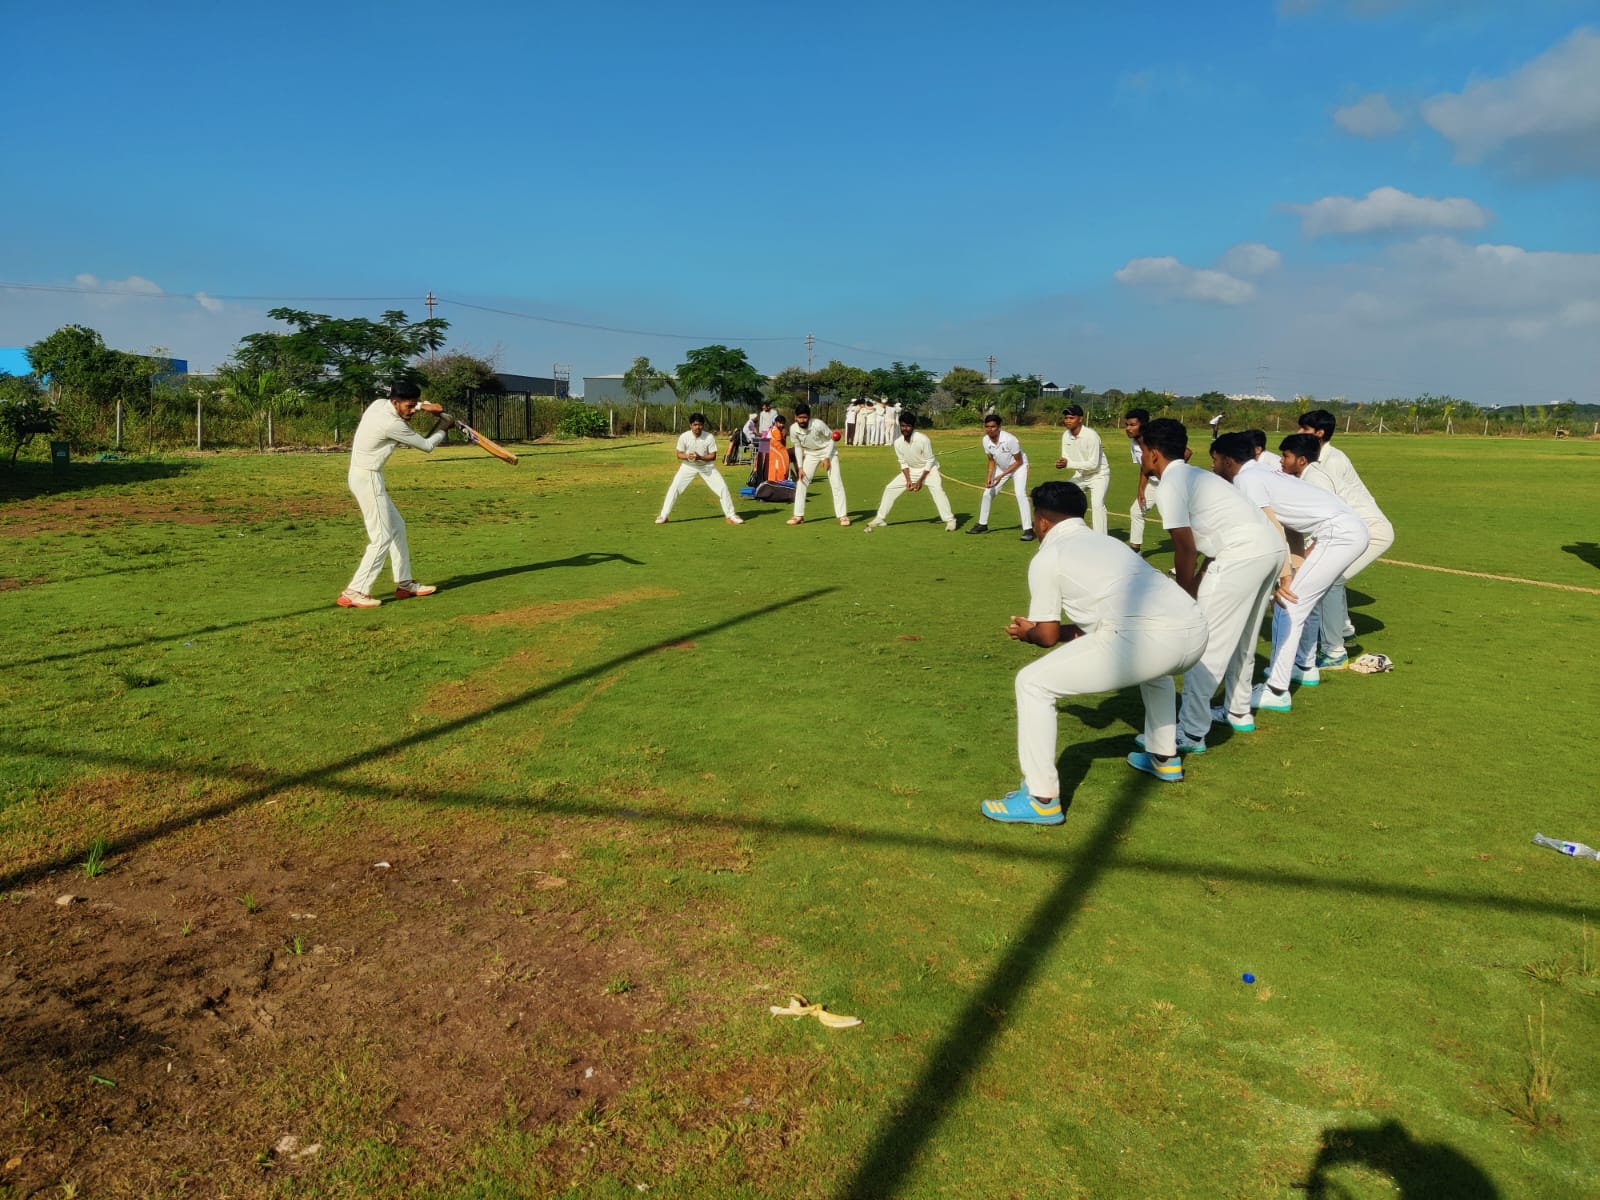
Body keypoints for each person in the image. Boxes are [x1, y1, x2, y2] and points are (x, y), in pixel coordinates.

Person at [982, 481, 1208, 825]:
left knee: (1032, 683)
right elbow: (1098, 623)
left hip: (1149, 640)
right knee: (1155, 671)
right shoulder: (1109, 543)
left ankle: (1041, 799)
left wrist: (1028, 633)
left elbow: (1046, 636)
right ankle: (1164, 757)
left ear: (1041, 521)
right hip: (1195, 630)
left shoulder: (1049, 556)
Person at [1139, 419, 1281, 747]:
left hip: (1241, 556)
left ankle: (1191, 732)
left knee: (1206, 643)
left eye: (1143, 451)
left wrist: (1184, 595)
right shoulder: (1198, 475)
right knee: (1244, 638)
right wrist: (1196, 583)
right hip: (1268, 549)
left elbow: (1185, 548)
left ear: (1154, 454)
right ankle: (1238, 710)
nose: (1142, 458)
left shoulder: (1170, 484)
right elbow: (1212, 539)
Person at [1210, 433, 1369, 713]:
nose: (1212, 467)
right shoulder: (1262, 473)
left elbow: (1274, 528)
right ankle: (1304, 667)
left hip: (1339, 534)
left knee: (1287, 604)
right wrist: (1294, 569)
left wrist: (1285, 578)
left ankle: (1276, 690)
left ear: (1228, 461)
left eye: (1214, 460)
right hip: (1346, 531)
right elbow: (1291, 527)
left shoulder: (1246, 479)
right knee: (1298, 601)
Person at [337, 381, 451, 609]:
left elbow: (410, 406)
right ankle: (354, 591)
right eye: (408, 407)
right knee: (382, 537)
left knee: (397, 526)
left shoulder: (379, 403)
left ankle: (405, 583)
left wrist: (423, 406)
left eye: (414, 406)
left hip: (362, 475)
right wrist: (444, 426)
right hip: (368, 478)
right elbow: (427, 445)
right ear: (396, 403)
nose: (411, 411)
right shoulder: (392, 424)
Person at [1297, 408, 1395, 667]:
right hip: (1352, 527)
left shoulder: (1331, 461)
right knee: (1332, 579)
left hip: (1367, 529)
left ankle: (1334, 650)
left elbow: (1330, 511)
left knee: (1330, 580)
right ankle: (1343, 632)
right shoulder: (1315, 461)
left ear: (1319, 433)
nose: (1298, 432)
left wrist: (1310, 547)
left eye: (1304, 429)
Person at [864, 411, 958, 532]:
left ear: (913, 427)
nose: (905, 429)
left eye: (908, 426)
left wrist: (920, 481)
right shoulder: (898, 443)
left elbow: (930, 460)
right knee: (890, 488)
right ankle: (880, 518)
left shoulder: (923, 439)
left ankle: (950, 520)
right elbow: (903, 462)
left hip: (929, 470)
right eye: (902, 426)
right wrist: (908, 480)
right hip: (911, 470)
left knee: (938, 491)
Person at [655, 413, 743, 525]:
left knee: (722, 488)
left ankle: (731, 516)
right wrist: (688, 456)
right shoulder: (684, 437)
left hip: (706, 466)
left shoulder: (709, 437)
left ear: (703, 425)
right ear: (690, 425)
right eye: (695, 425)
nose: (697, 427)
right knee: (674, 488)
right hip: (688, 466)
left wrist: (700, 457)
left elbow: (713, 456)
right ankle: (664, 515)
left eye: (700, 425)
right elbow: (679, 454)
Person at [970, 413, 1034, 540]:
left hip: (1019, 468)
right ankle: (982, 524)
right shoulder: (985, 440)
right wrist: (989, 477)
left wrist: (1002, 476)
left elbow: (1019, 461)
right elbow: (991, 460)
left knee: (1020, 494)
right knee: (987, 493)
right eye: (987, 426)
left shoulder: (1010, 439)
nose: (990, 430)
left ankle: (1028, 530)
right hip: (1001, 467)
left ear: (999, 427)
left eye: (993, 426)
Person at [787, 403, 850, 525]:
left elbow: (832, 438)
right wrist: (800, 467)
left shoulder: (818, 424)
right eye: (800, 417)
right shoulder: (793, 429)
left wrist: (826, 457)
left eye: (805, 417)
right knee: (802, 481)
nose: (802, 420)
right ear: (795, 417)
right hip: (811, 453)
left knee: (836, 482)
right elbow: (798, 447)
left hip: (828, 451)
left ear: (809, 417)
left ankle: (843, 516)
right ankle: (798, 515)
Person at [1053, 403, 1110, 533]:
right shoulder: (1066, 435)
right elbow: (1066, 458)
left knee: (1097, 505)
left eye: (1071, 418)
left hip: (1098, 474)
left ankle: (1101, 538)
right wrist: (1062, 462)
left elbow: (1093, 464)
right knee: (1064, 496)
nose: (1068, 421)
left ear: (1080, 419)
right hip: (1081, 475)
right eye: (1066, 418)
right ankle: (1074, 531)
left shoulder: (1091, 436)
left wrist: (1068, 464)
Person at [1123, 408, 1160, 552]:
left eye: (1132, 425)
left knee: (1178, 521)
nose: (1128, 428)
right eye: (1127, 425)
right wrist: (1140, 490)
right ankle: (1135, 551)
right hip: (1154, 484)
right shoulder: (1134, 444)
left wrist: (1170, 475)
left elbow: (1186, 452)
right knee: (1136, 511)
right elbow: (1144, 468)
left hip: (1173, 484)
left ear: (1143, 425)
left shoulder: (1158, 439)